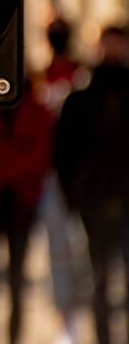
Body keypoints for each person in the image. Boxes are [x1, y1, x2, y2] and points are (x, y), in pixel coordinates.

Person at [56, 26, 129, 344]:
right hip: (94, 201)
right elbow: (64, 152)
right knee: (98, 276)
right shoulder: (81, 97)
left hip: (121, 196)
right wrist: (74, 196)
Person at [0, 78, 54, 344]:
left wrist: (1, 170)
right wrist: (11, 167)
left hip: (19, 204)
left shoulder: (36, 109)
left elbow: (40, 154)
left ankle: (14, 338)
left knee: (17, 282)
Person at [40, 17, 90, 344]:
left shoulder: (83, 76)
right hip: (51, 176)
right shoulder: (40, 76)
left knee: (82, 251)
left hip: (82, 177)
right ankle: (66, 321)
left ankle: (84, 317)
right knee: (59, 251)